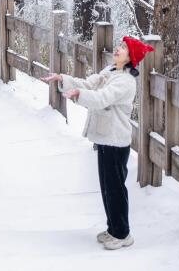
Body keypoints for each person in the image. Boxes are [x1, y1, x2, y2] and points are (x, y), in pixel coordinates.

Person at [42, 36, 154, 250]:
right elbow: (89, 84)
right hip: (104, 137)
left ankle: (122, 234)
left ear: (131, 57)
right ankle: (113, 228)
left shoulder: (125, 81)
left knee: (115, 188)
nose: (118, 49)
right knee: (106, 186)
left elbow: (102, 97)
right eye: (119, 46)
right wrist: (63, 79)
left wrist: (79, 94)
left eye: (123, 48)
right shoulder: (111, 71)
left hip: (115, 140)